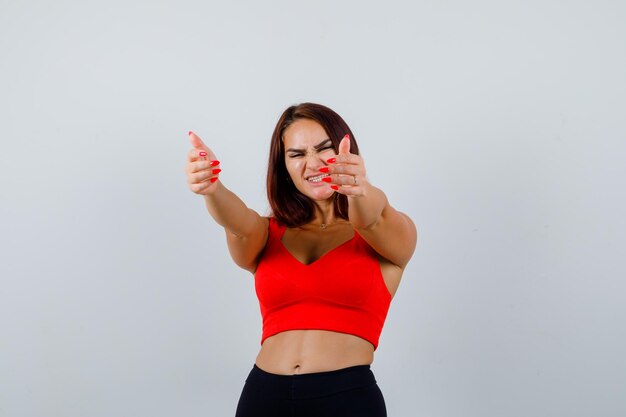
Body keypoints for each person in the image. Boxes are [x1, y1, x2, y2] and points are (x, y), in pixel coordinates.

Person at [185, 102, 417, 417]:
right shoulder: (266, 234)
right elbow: (238, 224)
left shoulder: (388, 235)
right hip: (265, 396)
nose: (313, 163)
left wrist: (358, 189)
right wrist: (212, 189)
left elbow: (371, 218)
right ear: (283, 167)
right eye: (296, 154)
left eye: (324, 149)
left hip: (346, 397)